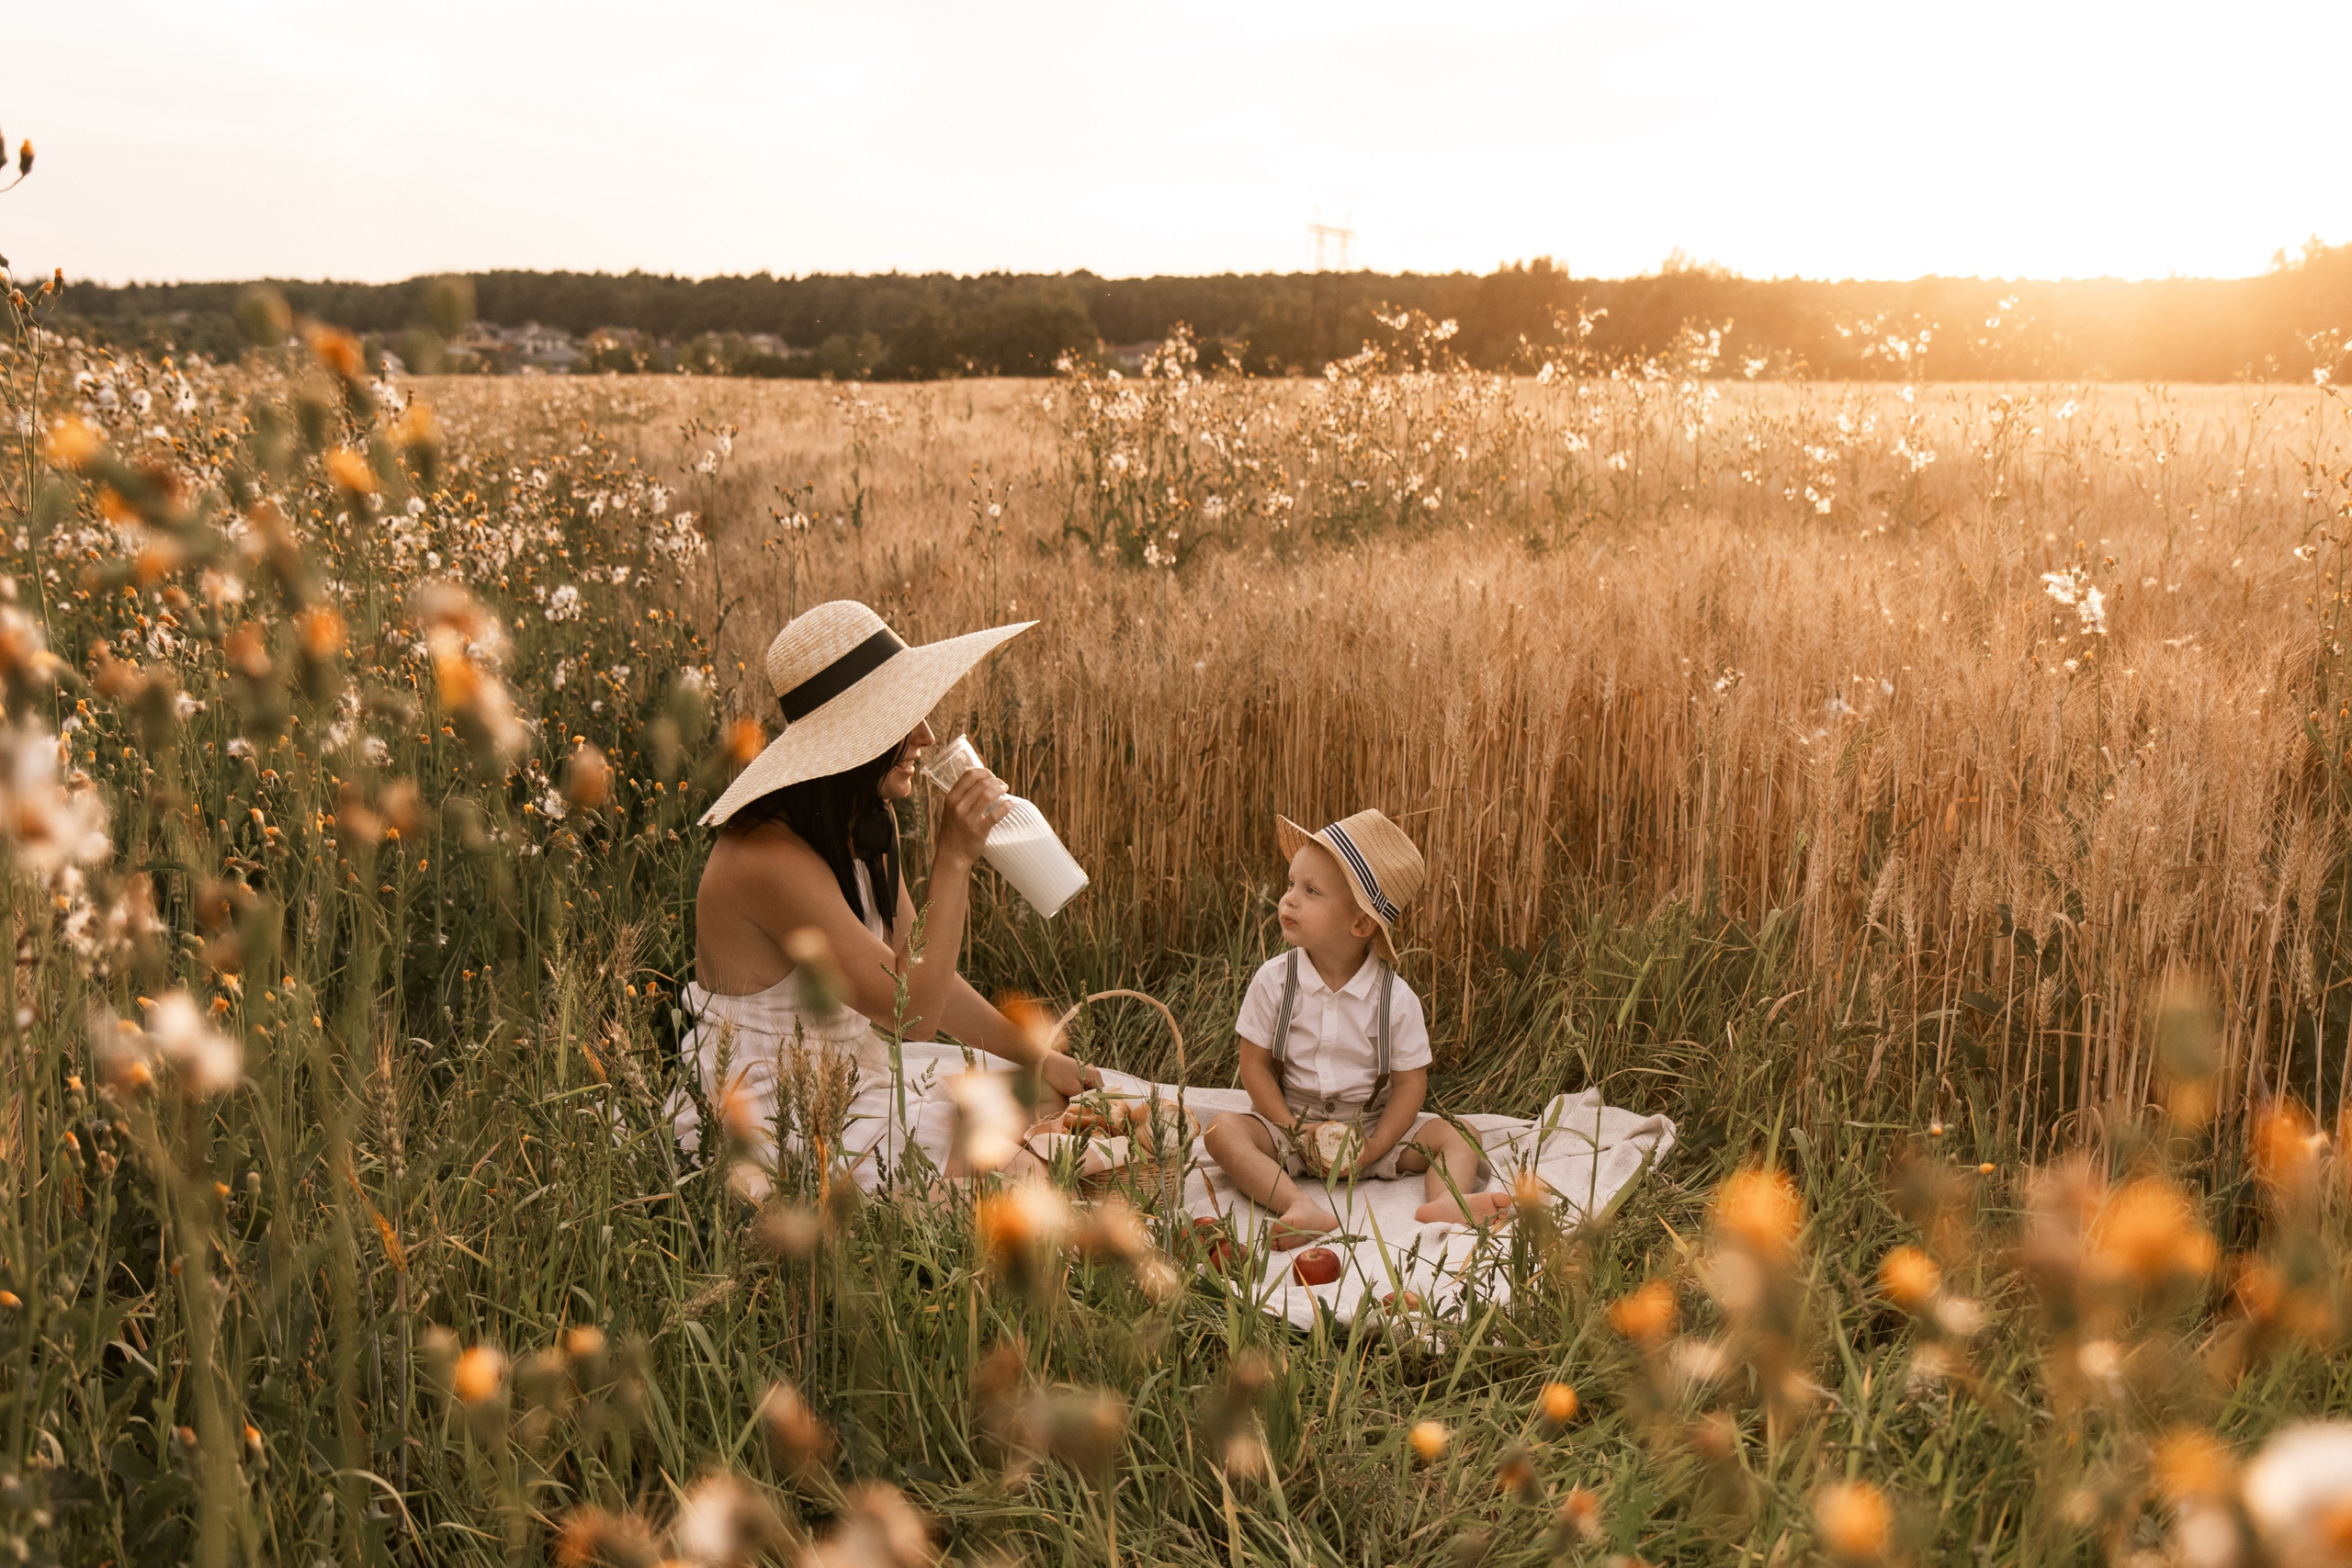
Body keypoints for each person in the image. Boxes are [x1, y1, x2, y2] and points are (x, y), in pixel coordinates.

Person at [674, 599, 1096, 1190]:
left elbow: (922, 976)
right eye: (904, 717)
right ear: (855, 738)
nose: (926, 735)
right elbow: (912, 1013)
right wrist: (953, 861)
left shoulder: (865, 819)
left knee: (1047, 1097)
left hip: (847, 1078)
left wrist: (1038, 1055)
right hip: (772, 1111)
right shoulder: (768, 858)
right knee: (1020, 1168)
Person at [1202, 809, 1510, 1247]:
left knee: (1460, 1134)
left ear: (1361, 923)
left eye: (1310, 891)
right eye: (1291, 884)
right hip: (1292, 1124)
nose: (1288, 900)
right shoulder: (1274, 981)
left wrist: (1377, 1145)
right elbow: (1254, 1066)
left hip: (1371, 1125)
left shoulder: (1394, 998)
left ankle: (1447, 1200)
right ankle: (1298, 1204)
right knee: (1221, 1131)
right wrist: (1292, 1129)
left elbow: (1409, 1085)